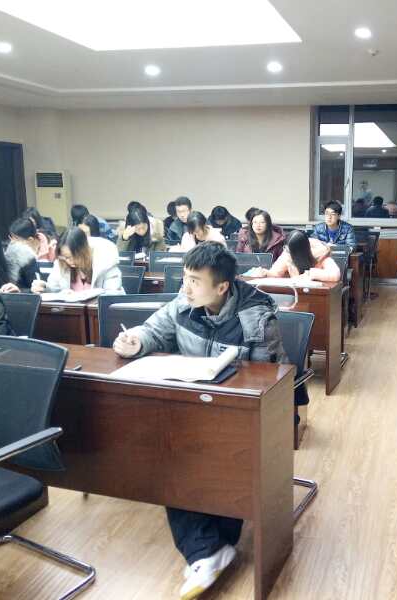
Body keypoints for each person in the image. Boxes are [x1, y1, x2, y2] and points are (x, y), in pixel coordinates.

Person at [111, 243, 286, 599]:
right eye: (185, 278)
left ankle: (208, 550)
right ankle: (209, 550)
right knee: (166, 453)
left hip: (240, 415)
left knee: (208, 458)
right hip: (192, 409)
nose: (185, 288)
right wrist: (134, 341)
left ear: (222, 287)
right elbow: (154, 330)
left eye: (194, 281)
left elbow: (268, 385)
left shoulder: (256, 318)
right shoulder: (183, 302)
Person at [32, 227, 122, 294]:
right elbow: (54, 288)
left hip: (98, 313)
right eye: (65, 257)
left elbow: (112, 295)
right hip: (72, 313)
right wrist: (44, 288)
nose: (69, 261)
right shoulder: (62, 262)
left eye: (72, 256)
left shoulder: (106, 262)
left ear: (84, 251)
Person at [254, 230, 341, 282]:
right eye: (286, 248)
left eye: (289, 251)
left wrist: (310, 274)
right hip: (296, 292)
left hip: (318, 293)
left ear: (299, 251)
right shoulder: (287, 252)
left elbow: (335, 274)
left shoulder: (320, 254)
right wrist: (265, 273)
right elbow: (276, 272)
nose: (287, 252)